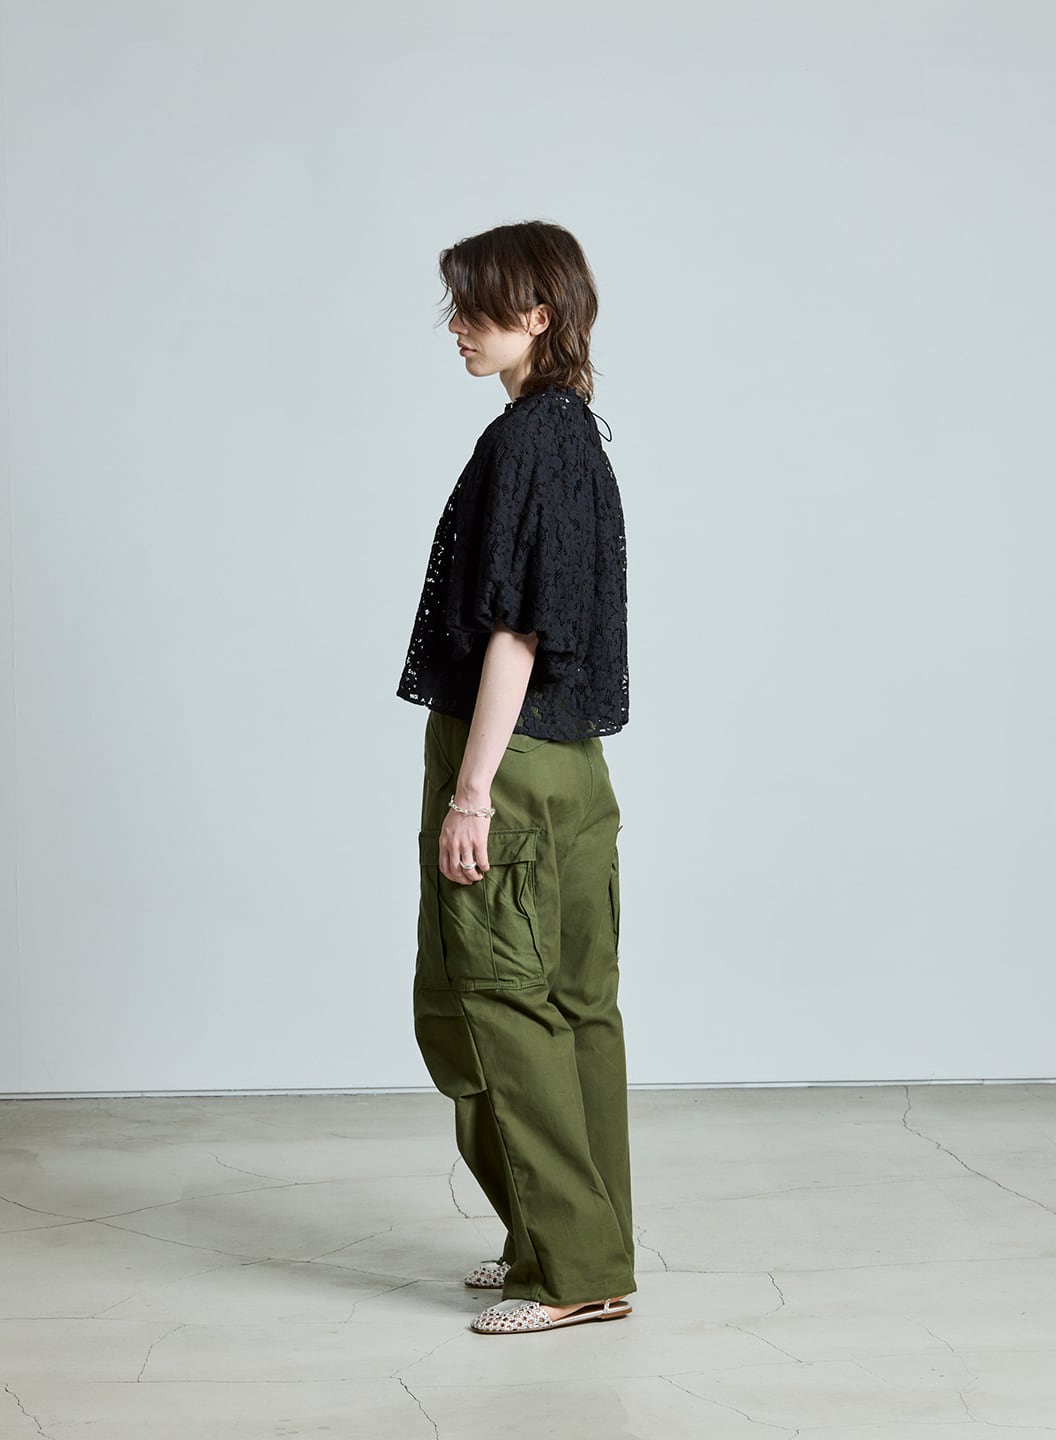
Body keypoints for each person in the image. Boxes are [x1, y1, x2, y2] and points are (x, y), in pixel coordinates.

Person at [396, 220, 635, 1336]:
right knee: (578, 1010)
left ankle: (569, 1270)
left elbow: (516, 631)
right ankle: (579, 1245)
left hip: (512, 766)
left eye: (476, 308)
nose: (457, 327)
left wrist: (471, 792)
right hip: (573, 771)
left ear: (537, 316)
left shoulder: (528, 442)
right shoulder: (575, 433)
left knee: (489, 1006)